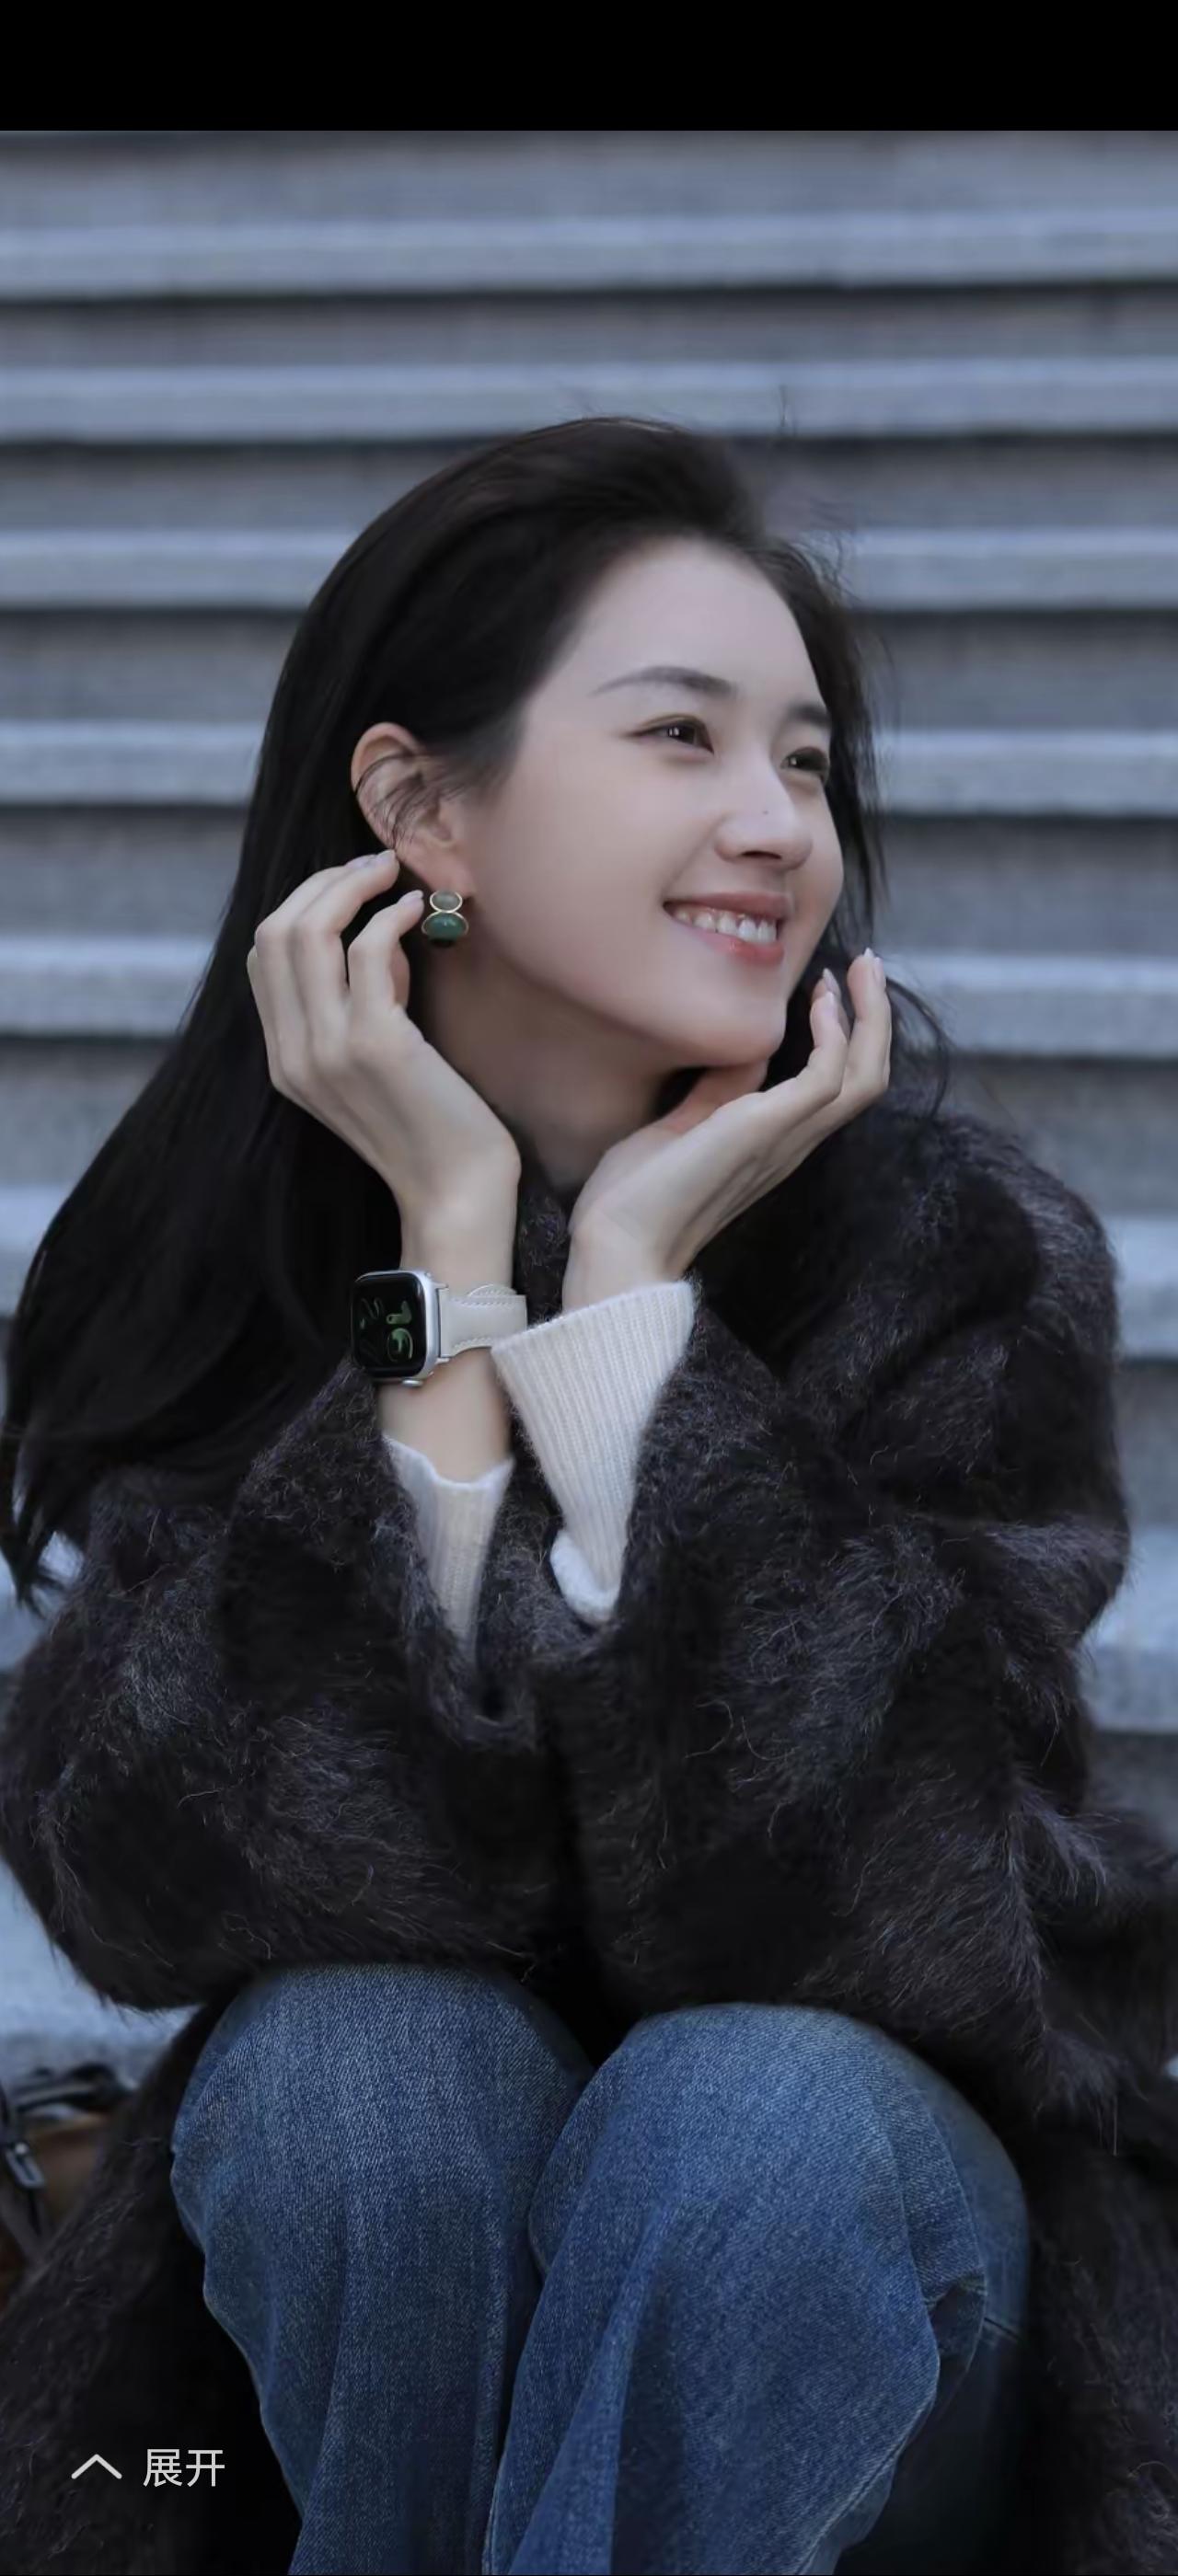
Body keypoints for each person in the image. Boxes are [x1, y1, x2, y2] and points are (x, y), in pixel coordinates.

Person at [1, 417, 1175, 2576]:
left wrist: (632, 1328)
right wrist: (451, 1277)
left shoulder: (949, 1258)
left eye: (806, 762)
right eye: (680, 736)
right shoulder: (246, 1247)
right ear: (418, 807)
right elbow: (159, 1882)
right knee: (362, 2067)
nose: (777, 824)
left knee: (742, 2117)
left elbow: (895, 1911)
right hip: (358, 2361)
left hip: (868, 2302)